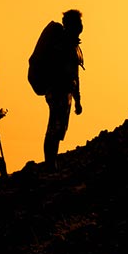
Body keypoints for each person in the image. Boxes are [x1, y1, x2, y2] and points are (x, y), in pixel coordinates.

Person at [40, 10, 84, 166]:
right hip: (57, 90)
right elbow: (67, 71)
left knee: (59, 128)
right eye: (77, 23)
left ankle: (52, 162)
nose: (80, 26)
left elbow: (75, 74)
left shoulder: (72, 45)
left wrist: (77, 100)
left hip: (65, 92)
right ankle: (50, 164)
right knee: (55, 127)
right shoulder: (62, 44)